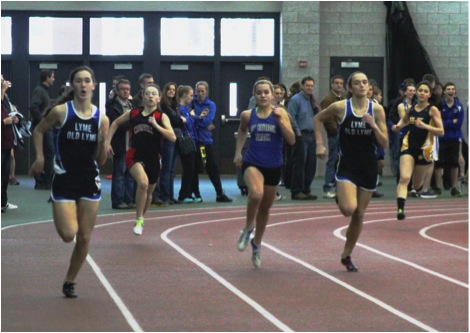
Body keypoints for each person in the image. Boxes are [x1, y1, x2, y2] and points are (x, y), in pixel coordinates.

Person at [29, 66, 109, 298]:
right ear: (72, 85)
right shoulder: (61, 112)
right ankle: (64, 212)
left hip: (88, 180)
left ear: (93, 85)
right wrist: (41, 158)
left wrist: (104, 143)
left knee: (84, 236)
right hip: (64, 179)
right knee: (68, 234)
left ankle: (70, 280)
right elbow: (38, 130)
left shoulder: (100, 118)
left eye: (87, 81)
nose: (83, 85)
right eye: (79, 81)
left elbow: (101, 161)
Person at [314, 71, 388, 271]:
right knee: (348, 209)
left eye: (365, 82)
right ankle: (340, 195)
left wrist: (373, 126)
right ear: (350, 87)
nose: (362, 86)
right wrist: (320, 144)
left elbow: (384, 142)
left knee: (359, 215)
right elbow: (318, 118)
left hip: (368, 167)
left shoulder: (377, 110)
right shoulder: (340, 107)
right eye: (357, 83)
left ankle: (346, 254)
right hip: (347, 166)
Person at [234, 80, 295, 268]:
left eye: (266, 92)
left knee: (265, 208)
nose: (263, 95)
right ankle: (247, 227)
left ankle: (257, 243)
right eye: (259, 92)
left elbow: (291, 140)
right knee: (256, 193)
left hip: (273, 165)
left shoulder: (281, 113)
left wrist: (280, 121)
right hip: (252, 161)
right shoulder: (247, 115)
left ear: (273, 95)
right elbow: (242, 130)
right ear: (254, 95)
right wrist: (238, 152)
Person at [106, 84, 176, 236]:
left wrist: (156, 125)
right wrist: (107, 142)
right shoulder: (133, 113)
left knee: (149, 193)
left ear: (158, 98)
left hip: (154, 158)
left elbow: (172, 137)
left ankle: (141, 218)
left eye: (154, 94)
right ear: (143, 97)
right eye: (148, 93)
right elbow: (115, 123)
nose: (150, 96)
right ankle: (138, 219)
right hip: (135, 155)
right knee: (142, 183)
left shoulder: (161, 116)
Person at [392, 81, 444, 220]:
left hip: (423, 149)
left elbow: (441, 131)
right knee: (404, 178)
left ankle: (420, 190)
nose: (422, 93)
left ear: (429, 94)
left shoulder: (432, 110)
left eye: (425, 91)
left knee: (416, 184)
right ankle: (400, 209)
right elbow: (404, 120)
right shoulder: (412, 108)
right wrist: (398, 126)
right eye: (420, 90)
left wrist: (425, 126)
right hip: (409, 145)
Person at [193, 81, 232, 202]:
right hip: (193, 141)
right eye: (198, 91)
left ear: (207, 92)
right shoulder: (191, 102)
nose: (200, 93)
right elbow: (193, 120)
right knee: (194, 168)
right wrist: (200, 120)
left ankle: (219, 193)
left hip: (205, 142)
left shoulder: (211, 105)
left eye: (202, 91)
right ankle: (196, 194)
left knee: (212, 166)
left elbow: (206, 121)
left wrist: (196, 119)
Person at [287, 76, 320, 200]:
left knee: (311, 164)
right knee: (300, 164)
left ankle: (306, 190)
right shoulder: (295, 100)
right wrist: (297, 132)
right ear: (302, 86)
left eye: (312, 86)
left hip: (312, 135)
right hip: (301, 135)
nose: (310, 88)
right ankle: (296, 191)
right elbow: (290, 117)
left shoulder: (313, 100)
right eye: (308, 85)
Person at [106, 79, 135, 209]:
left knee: (130, 175)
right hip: (119, 144)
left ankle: (129, 200)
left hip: (132, 146)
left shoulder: (132, 106)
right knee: (119, 175)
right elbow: (117, 124)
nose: (125, 91)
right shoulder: (112, 106)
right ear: (117, 91)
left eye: (127, 89)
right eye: (123, 89)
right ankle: (118, 201)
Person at [152, 82, 183, 206]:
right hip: (166, 139)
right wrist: (181, 120)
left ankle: (170, 195)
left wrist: (180, 119)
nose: (171, 91)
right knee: (166, 168)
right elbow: (175, 119)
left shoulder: (175, 105)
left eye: (173, 90)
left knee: (171, 169)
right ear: (165, 91)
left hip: (175, 138)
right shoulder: (163, 105)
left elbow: (178, 119)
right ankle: (165, 196)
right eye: (169, 89)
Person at [433, 82, 464, 197]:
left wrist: (446, 123)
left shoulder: (459, 106)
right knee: (439, 163)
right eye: (448, 89)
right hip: (441, 138)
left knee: (454, 163)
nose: (451, 91)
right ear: (444, 91)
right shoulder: (440, 106)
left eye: (453, 89)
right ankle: (438, 187)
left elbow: (458, 124)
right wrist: (451, 122)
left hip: (454, 138)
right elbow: (438, 123)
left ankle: (454, 187)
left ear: (455, 92)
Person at [319, 75, 346, 199]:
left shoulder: (345, 98)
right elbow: (328, 120)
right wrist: (336, 131)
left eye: (341, 83)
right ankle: (328, 187)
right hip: (335, 134)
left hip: (346, 134)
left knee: (343, 161)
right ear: (332, 84)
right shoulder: (327, 100)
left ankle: (341, 187)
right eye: (336, 83)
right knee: (333, 160)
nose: (339, 85)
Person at [29, 69, 55, 190]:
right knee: (46, 153)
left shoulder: (43, 91)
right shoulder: (40, 91)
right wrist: (43, 122)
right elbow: (33, 107)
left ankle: (45, 181)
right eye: (52, 77)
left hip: (44, 128)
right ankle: (42, 181)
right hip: (42, 128)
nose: (54, 79)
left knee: (48, 153)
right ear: (47, 78)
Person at [176, 85, 201, 203]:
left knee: (192, 169)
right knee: (188, 168)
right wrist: (191, 118)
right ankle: (183, 194)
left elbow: (192, 122)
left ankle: (190, 192)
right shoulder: (179, 109)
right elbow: (188, 124)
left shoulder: (187, 109)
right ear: (184, 95)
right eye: (191, 95)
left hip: (193, 140)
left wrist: (191, 118)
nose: (192, 98)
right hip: (186, 141)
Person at [2, 75, 19, 212]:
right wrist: (3, 122)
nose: (5, 82)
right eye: (1, 81)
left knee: (5, 174)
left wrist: (14, 117)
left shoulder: (5, 98)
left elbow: (8, 112)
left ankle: (3, 202)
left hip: (7, 141)